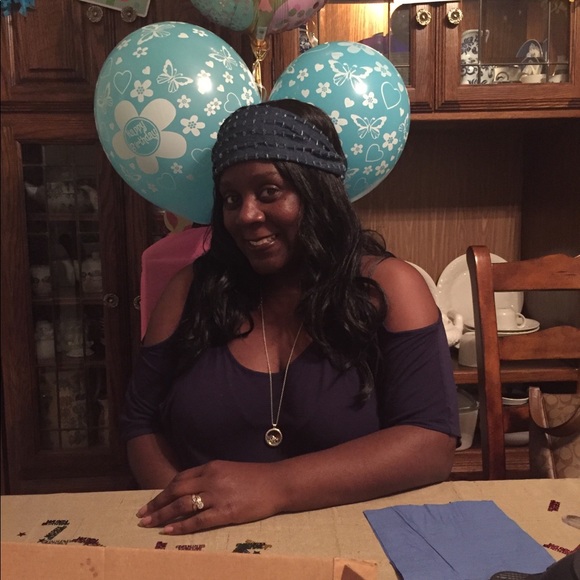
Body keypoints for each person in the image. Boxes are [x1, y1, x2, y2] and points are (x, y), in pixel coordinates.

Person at [121, 98, 460, 535]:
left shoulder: (391, 287)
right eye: (230, 198)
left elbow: (431, 441)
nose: (245, 215)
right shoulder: (189, 291)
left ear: (316, 190)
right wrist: (184, 509)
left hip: (354, 539)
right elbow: (140, 422)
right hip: (207, 543)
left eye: (269, 192)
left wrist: (272, 486)